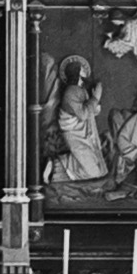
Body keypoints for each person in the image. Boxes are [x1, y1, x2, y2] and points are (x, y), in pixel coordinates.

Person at [42, 52, 108, 191]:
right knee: (94, 172)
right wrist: (95, 98)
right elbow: (83, 114)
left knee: (100, 170)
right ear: (76, 73)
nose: (85, 71)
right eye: (82, 69)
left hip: (84, 132)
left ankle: (57, 166)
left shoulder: (80, 90)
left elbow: (89, 111)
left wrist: (95, 104)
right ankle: (55, 165)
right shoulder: (70, 92)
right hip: (74, 133)